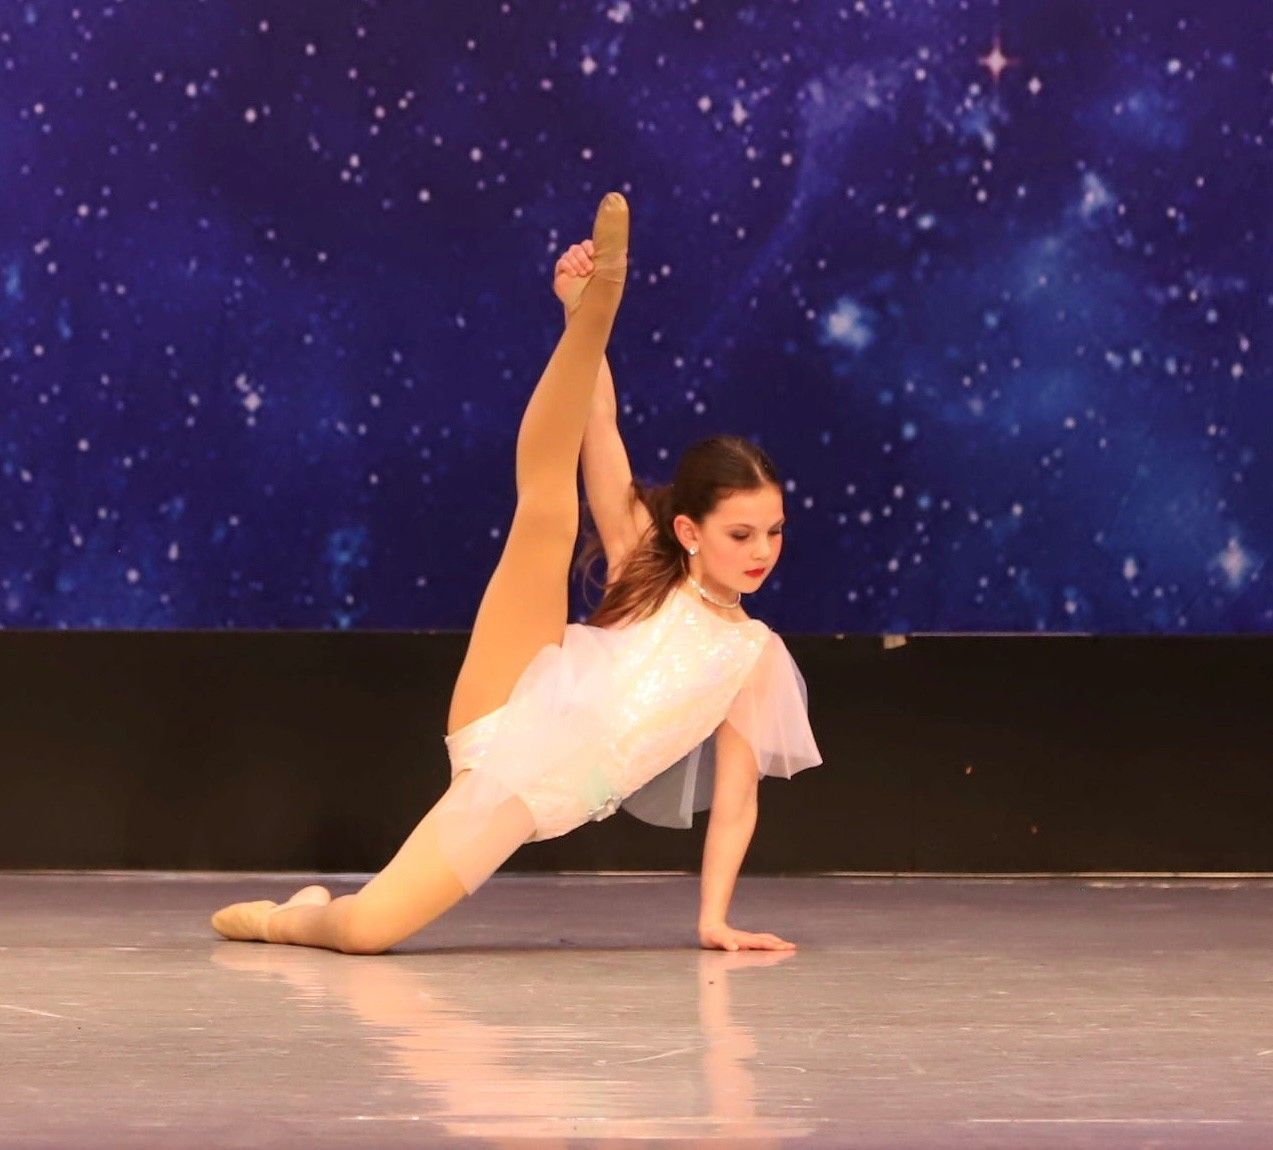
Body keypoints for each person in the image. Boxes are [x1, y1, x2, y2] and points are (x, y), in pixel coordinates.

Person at [210, 192, 822, 955]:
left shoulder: (754, 656)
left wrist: (713, 921)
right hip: (516, 697)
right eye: (741, 532)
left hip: (534, 794)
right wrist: (580, 313)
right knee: (548, 513)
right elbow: (596, 422)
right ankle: (602, 304)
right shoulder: (649, 558)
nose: (761, 549)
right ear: (690, 532)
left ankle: (284, 916)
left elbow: (735, 801)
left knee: (364, 931)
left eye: (773, 532)